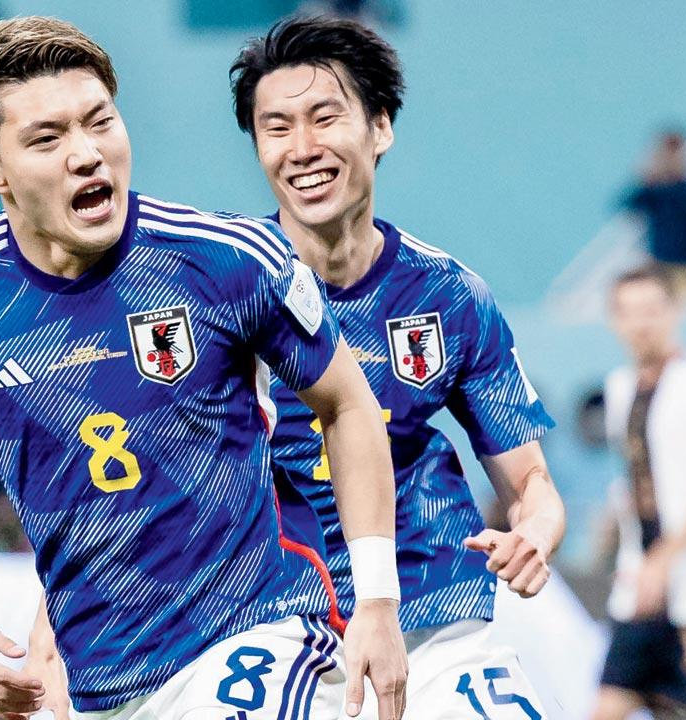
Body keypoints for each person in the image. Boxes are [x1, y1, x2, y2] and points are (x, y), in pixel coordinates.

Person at [0, 15, 408, 720]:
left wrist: (377, 600)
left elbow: (347, 404)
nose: (87, 155)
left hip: (258, 638)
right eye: (47, 139)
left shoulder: (226, 260)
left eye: (100, 123)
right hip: (97, 682)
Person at [228, 15, 566, 718]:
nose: (302, 148)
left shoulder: (448, 295)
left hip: (433, 612)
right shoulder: (224, 291)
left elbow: (530, 480)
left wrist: (535, 531)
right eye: (276, 127)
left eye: (325, 118)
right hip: (276, 621)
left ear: (380, 128)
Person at [593, 265, 686, 719]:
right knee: (606, 705)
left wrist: (663, 559)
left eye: (651, 309)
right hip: (641, 588)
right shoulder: (620, 387)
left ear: (674, 311)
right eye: (628, 312)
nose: (641, 322)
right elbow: (636, 477)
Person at [622, 131, 686, 297]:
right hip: (658, 264)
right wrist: (647, 180)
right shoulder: (654, 190)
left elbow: (685, 205)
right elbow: (628, 204)